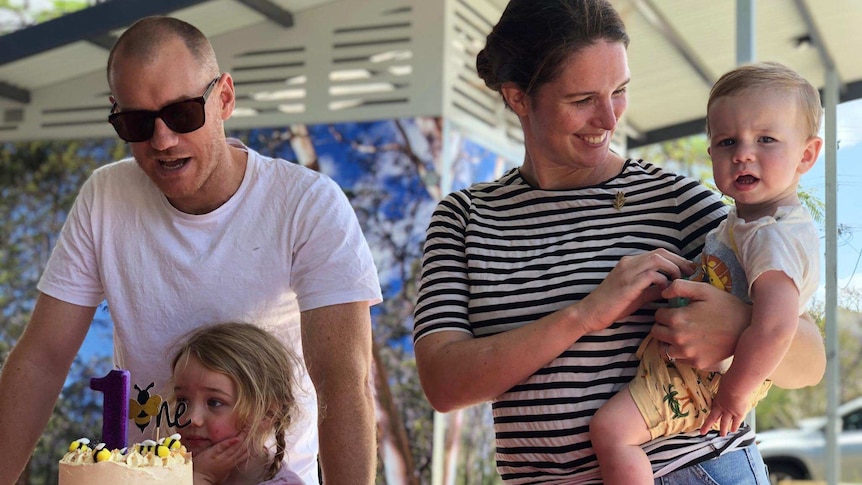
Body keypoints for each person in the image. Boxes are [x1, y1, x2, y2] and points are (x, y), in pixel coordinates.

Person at [411, 1, 826, 483]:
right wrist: (585, 314)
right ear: (519, 97)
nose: (609, 118)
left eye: (620, 91)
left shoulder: (681, 201)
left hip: (696, 470)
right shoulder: (465, 218)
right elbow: (443, 384)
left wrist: (737, 322)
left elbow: (810, 362)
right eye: (582, 98)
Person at [0, 16, 381, 485]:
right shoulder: (105, 196)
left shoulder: (307, 204)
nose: (163, 140)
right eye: (137, 123)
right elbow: (42, 358)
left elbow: (344, 383)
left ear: (223, 98)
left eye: (182, 114)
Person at [589, 61, 823, 484]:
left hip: (709, 385)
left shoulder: (773, 237)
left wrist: (734, 393)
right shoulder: (746, 223)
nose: (743, 153)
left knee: (612, 431)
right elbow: (729, 284)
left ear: (806, 154)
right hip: (699, 375)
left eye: (766, 139)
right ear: (711, 150)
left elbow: (775, 327)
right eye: (727, 140)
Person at [169, 322, 305, 485]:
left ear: (267, 414)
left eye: (214, 402)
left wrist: (200, 479)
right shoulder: (164, 471)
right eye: (183, 400)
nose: (191, 418)